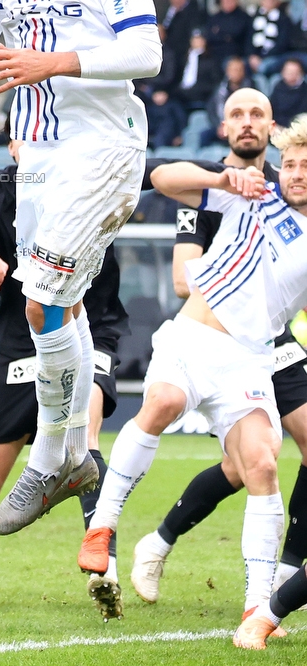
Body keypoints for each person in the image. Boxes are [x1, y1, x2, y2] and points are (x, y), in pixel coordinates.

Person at [0, 0, 161, 538]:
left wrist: (54, 63)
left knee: (43, 295)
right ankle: (75, 455)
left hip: (103, 146)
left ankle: (51, 458)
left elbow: (147, 52)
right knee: (55, 307)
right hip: (38, 152)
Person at [79, 114, 307, 626]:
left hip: (249, 360)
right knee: (163, 401)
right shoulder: (255, 195)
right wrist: (221, 179)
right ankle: (102, 528)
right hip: (191, 337)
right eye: (290, 164)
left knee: (262, 465)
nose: (295, 173)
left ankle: (257, 607)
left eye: (306, 166)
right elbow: (162, 179)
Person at [0, 132, 128, 610]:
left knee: (85, 440)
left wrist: (220, 178)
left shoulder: (93, 169)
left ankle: (104, 565)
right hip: (23, 339)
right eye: (28, 138)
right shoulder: (0, 185)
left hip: (92, 324)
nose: (38, 147)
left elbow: (159, 170)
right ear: (14, 145)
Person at [271, 58, 307, 126]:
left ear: (300, 73)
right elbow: (273, 110)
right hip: (278, 127)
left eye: (293, 72)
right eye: (287, 71)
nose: (290, 74)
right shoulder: (278, 87)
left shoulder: (304, 90)